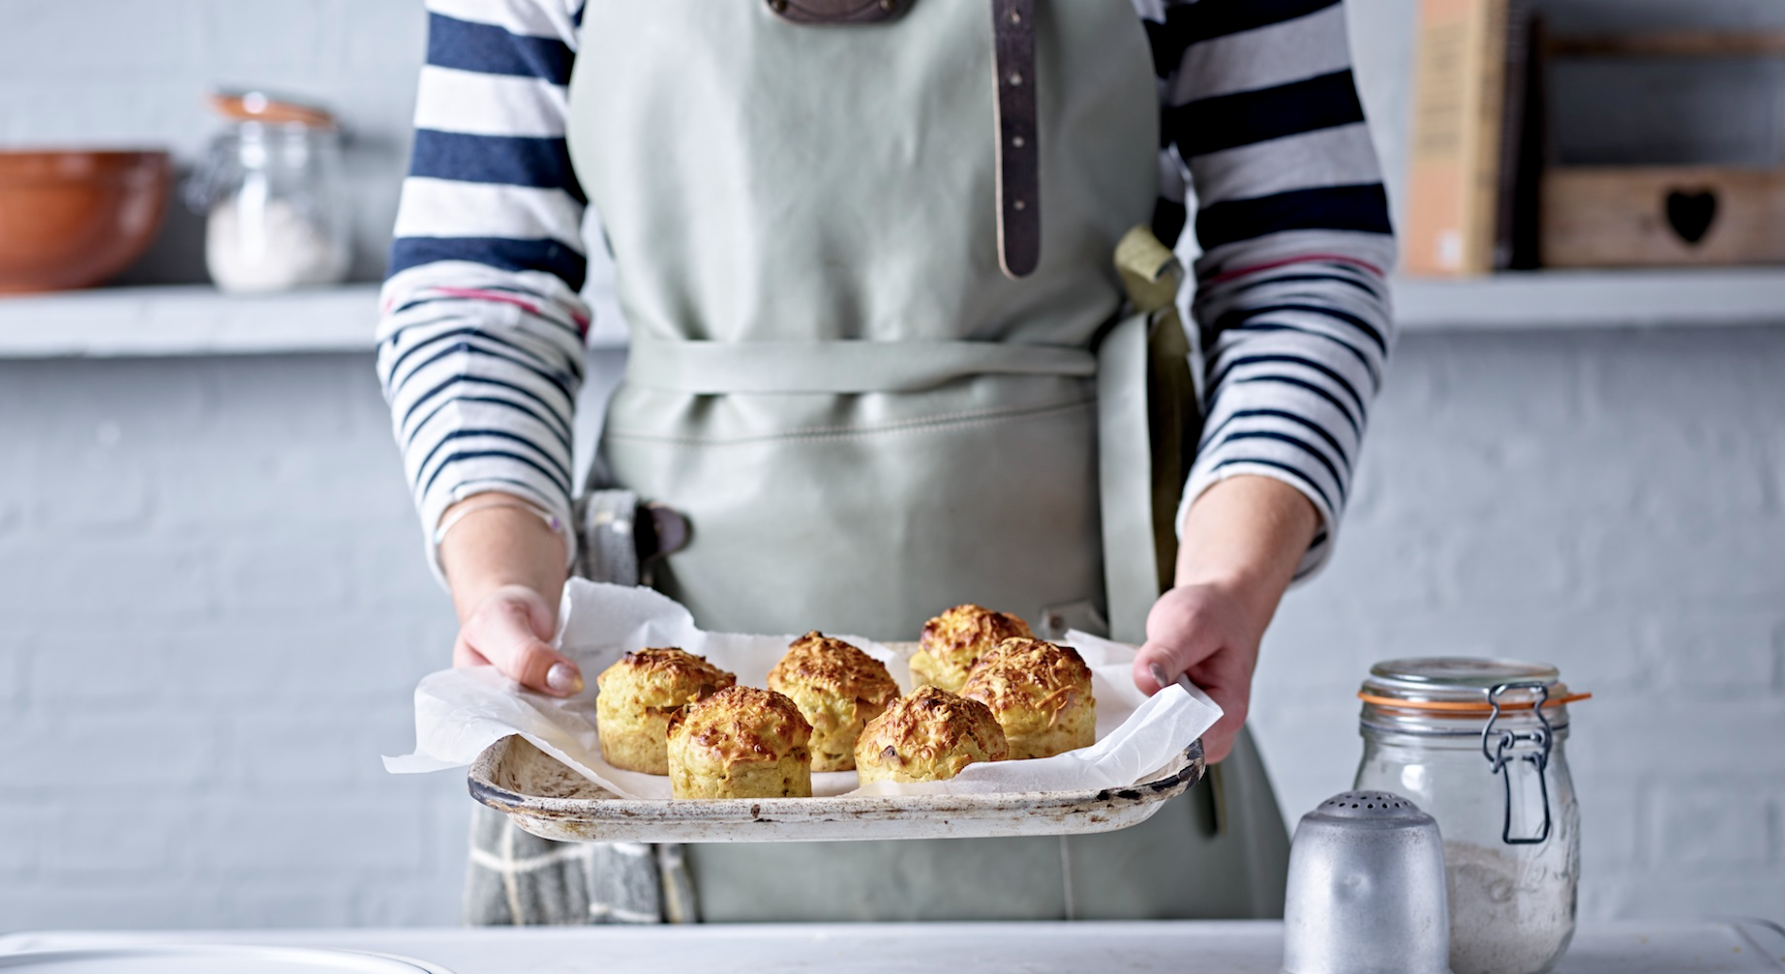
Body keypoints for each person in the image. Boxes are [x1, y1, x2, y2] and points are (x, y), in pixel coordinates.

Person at [378, 0, 1394, 924]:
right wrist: (501, 577)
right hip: (648, 772)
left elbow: (1301, 262)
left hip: (1109, 692)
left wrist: (1229, 574)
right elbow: (478, 296)